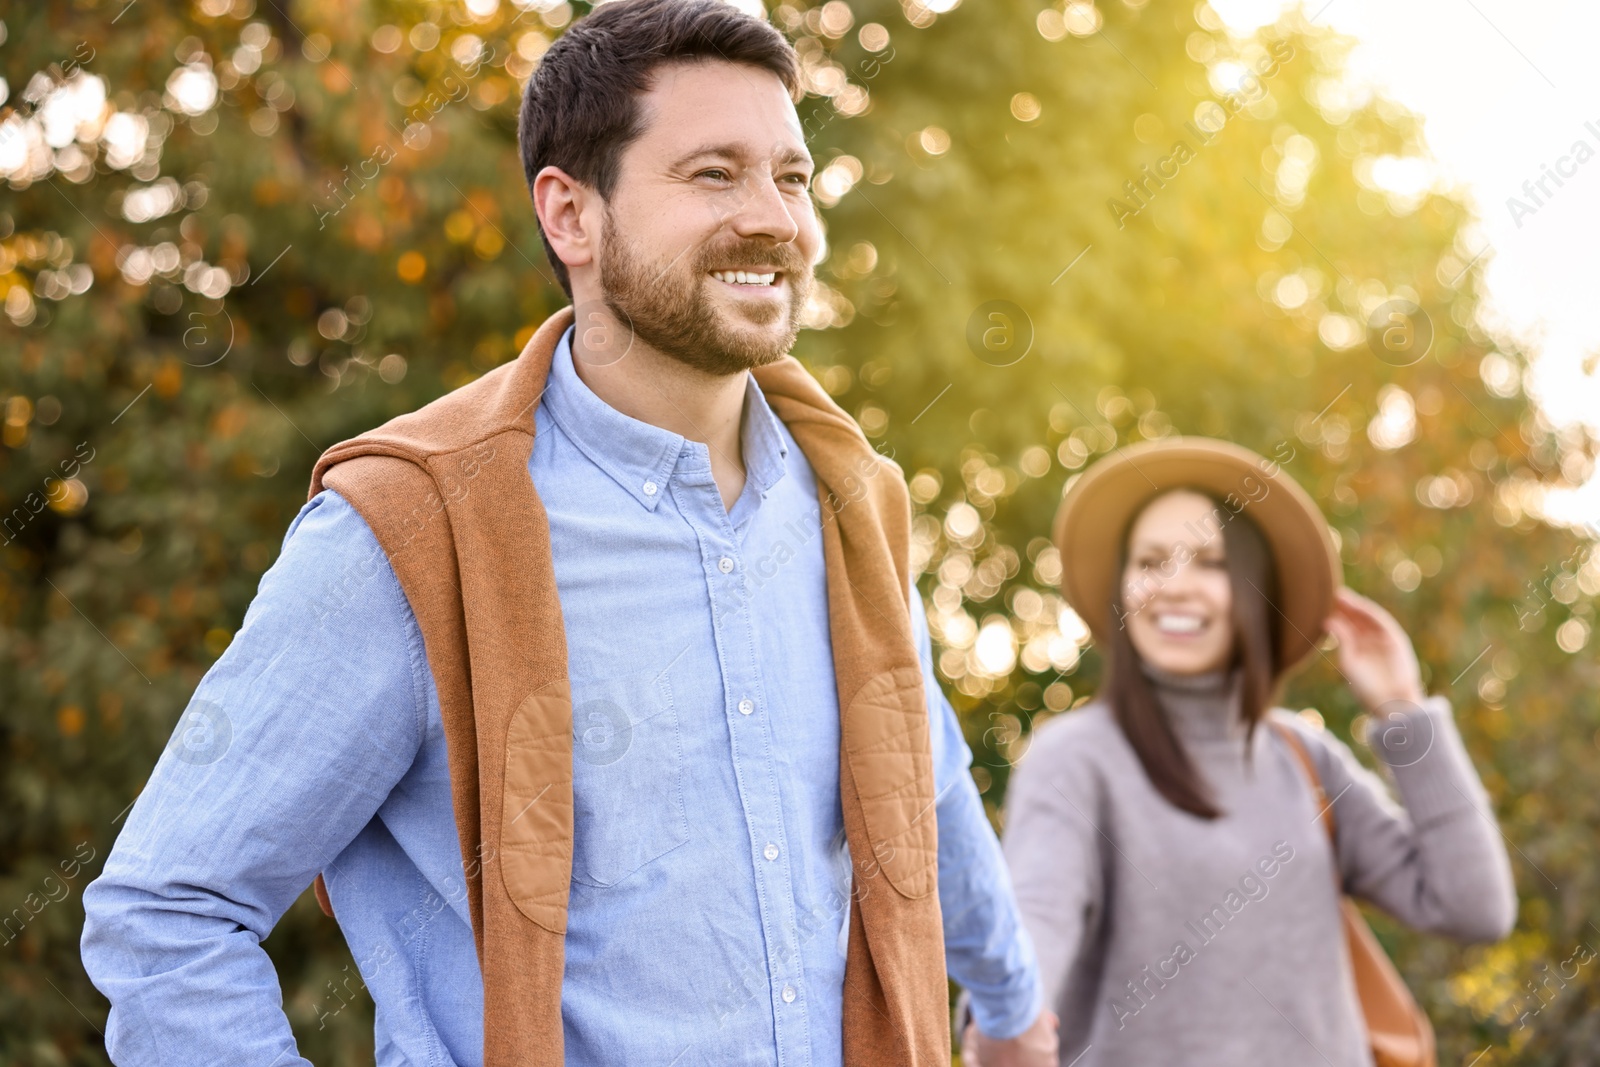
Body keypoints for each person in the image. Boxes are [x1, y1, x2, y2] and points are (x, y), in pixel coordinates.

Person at [79, 2, 1057, 1064]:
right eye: (713, 174)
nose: (774, 217)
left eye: (791, 175)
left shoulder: (846, 503)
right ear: (570, 215)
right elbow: (167, 912)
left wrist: (1011, 1009)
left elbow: (925, 773)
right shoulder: (411, 534)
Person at [990, 437, 1516, 1066]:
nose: (1175, 587)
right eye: (1151, 562)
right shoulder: (1077, 758)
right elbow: (1035, 921)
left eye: (1209, 562)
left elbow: (1475, 907)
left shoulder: (1303, 756)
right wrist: (1006, 1026)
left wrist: (1402, 710)